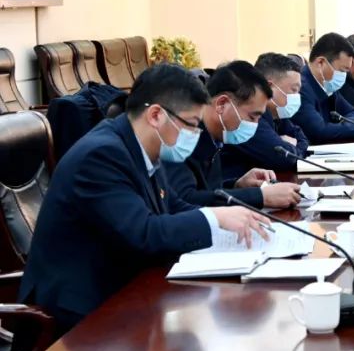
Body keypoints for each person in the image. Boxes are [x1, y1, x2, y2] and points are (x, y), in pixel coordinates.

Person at [18, 64, 270, 333]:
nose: (196, 135)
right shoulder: (102, 155)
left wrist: (228, 219)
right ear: (156, 115)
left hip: (124, 284)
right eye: (191, 125)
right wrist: (212, 218)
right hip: (82, 308)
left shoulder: (140, 145)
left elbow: (172, 205)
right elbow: (144, 232)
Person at [166, 60, 301, 209]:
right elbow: (185, 199)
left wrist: (236, 184)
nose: (255, 125)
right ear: (221, 104)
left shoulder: (216, 136)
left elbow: (207, 190)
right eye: (252, 117)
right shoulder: (184, 135)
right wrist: (260, 196)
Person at [221, 53, 309, 178]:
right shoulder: (248, 116)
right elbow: (284, 158)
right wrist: (290, 145)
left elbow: (302, 138)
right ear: (269, 87)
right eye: (294, 90)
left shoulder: (277, 113)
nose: (297, 96)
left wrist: (293, 145)